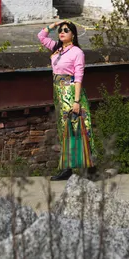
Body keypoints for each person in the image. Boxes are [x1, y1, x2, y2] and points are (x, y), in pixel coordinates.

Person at [38, 20, 96, 181]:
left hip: (71, 93)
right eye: (61, 30)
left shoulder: (77, 52)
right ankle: (67, 168)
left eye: (66, 30)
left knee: (80, 127)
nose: (62, 32)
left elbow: (79, 77)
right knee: (64, 130)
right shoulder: (57, 49)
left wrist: (76, 101)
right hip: (59, 93)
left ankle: (90, 167)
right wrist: (55, 24)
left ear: (73, 34)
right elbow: (41, 36)